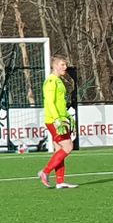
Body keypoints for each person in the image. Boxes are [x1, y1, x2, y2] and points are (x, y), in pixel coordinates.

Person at [38, 57, 77, 189]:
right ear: (54, 66)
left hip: (60, 118)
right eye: (62, 64)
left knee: (59, 150)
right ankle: (45, 172)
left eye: (65, 64)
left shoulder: (58, 80)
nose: (65, 67)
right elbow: (50, 102)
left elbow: (60, 102)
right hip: (54, 120)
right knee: (68, 147)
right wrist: (57, 120)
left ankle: (60, 182)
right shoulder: (51, 81)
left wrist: (67, 116)